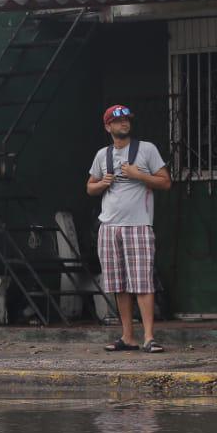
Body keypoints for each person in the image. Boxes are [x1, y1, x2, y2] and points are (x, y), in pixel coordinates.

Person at [86, 104, 171, 352]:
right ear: (108, 127)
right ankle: (127, 337)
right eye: (118, 121)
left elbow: (165, 182)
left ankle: (149, 337)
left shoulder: (146, 149)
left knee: (143, 282)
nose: (124, 124)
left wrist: (138, 175)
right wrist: (102, 183)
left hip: (138, 224)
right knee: (118, 284)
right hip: (110, 226)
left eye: (127, 120)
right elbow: (89, 187)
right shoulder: (103, 155)